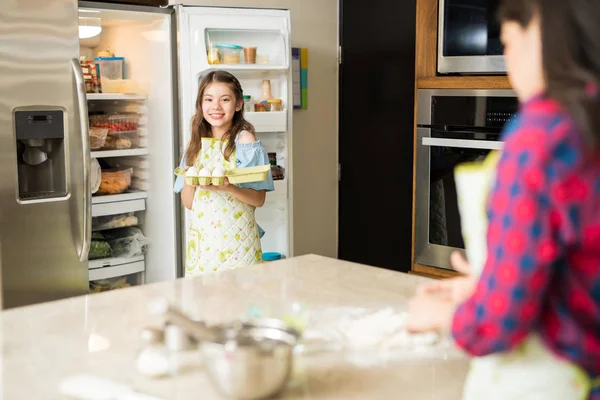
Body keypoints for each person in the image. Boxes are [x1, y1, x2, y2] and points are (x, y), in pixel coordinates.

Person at [407, 0, 600, 398]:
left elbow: (499, 324)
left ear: (544, 35)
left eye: (510, 42)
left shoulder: (541, 138)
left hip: (564, 377)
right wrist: (491, 280)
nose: (507, 60)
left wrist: (445, 314)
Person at [174, 70, 273, 275]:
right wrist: (191, 181)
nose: (216, 107)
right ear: (201, 105)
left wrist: (227, 187)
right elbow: (189, 203)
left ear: (238, 105)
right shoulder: (195, 144)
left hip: (238, 242)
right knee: (203, 303)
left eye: (225, 99)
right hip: (203, 244)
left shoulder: (245, 141)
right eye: (208, 99)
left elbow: (258, 199)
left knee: (237, 303)